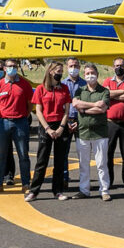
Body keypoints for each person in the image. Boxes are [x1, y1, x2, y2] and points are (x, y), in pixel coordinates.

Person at [26, 61, 72, 202]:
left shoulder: (64, 89)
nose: (60, 73)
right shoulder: (41, 89)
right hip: (45, 126)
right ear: (51, 71)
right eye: (58, 70)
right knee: (42, 161)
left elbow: (66, 111)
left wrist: (61, 128)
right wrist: (47, 128)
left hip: (60, 126)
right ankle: (34, 191)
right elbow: (38, 111)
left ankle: (57, 191)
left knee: (60, 161)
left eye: (61, 71)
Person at [0, 58, 33, 195]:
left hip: (20, 122)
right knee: (0, 155)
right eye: (9, 66)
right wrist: (3, 116)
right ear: (4, 68)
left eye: (14, 66)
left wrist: (23, 116)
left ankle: (26, 184)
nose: (12, 68)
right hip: (2, 123)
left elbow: (29, 104)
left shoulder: (25, 85)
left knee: (23, 155)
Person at [71, 63, 112, 200]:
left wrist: (84, 110)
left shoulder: (104, 91)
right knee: (83, 164)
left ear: (97, 75)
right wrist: (94, 105)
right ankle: (84, 190)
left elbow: (102, 109)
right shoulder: (80, 91)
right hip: (82, 133)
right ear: (84, 75)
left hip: (100, 133)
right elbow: (76, 104)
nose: (90, 76)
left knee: (101, 164)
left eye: (92, 73)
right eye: (87, 73)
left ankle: (104, 190)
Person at [104, 57, 124, 190]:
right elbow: (105, 94)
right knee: (108, 153)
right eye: (117, 65)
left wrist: (113, 95)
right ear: (113, 67)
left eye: (121, 65)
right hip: (110, 123)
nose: (119, 68)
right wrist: (122, 92)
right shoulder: (107, 81)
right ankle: (108, 180)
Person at [61, 57, 85, 186]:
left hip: (81, 120)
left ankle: (84, 179)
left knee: (83, 152)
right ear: (67, 67)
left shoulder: (85, 84)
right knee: (63, 151)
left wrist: (79, 121)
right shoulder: (62, 84)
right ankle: (64, 178)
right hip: (66, 120)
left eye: (76, 65)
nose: (73, 68)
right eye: (71, 65)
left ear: (79, 68)